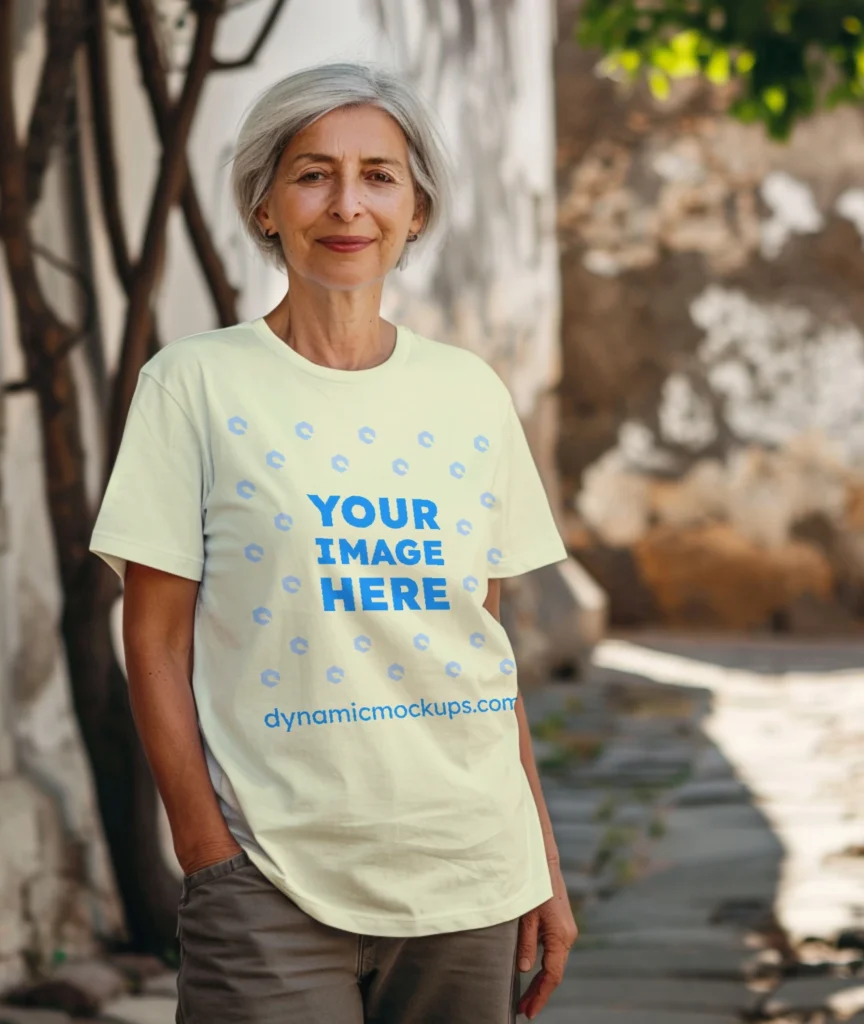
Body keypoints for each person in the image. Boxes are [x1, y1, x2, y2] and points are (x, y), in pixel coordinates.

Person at [90, 61, 576, 1024]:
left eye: (379, 176)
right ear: (266, 204)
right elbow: (152, 639)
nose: (347, 205)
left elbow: (480, 649)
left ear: (416, 209)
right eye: (313, 173)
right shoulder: (193, 386)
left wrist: (543, 865)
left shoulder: (469, 393)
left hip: (468, 869)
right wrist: (206, 850)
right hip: (269, 874)